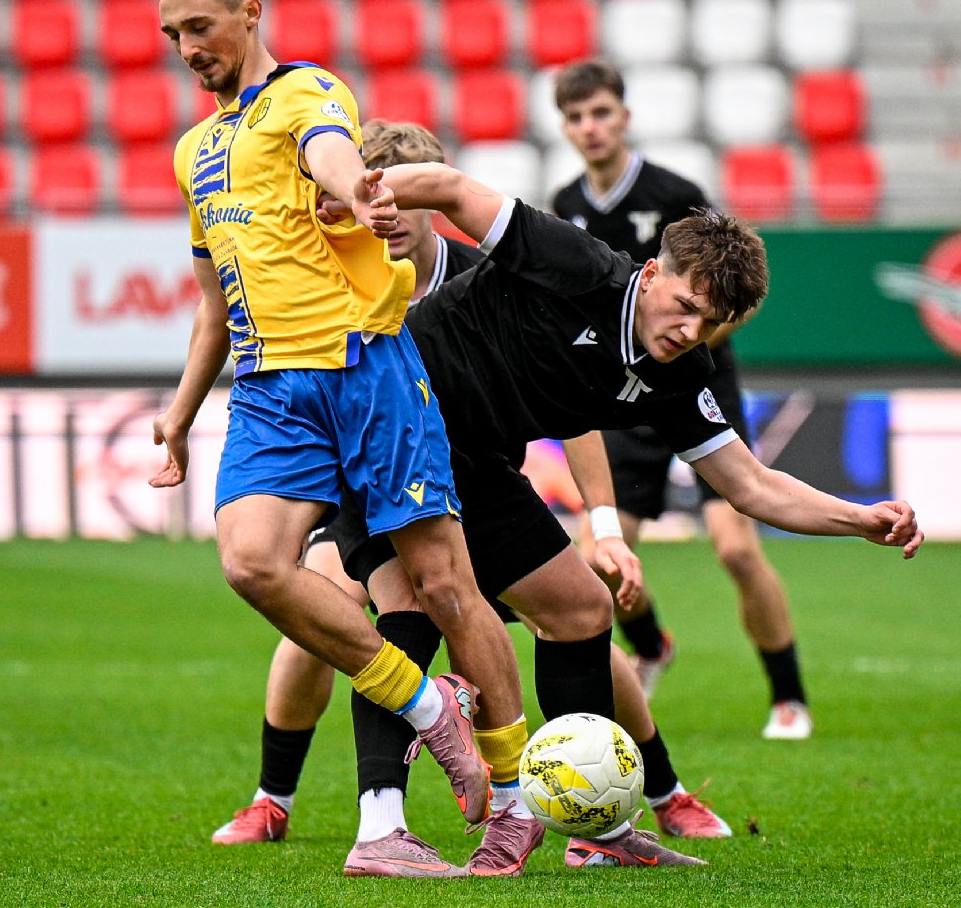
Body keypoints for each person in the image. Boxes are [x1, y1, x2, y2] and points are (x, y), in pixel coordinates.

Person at [321, 160, 923, 872]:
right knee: (415, 610)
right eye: (686, 304)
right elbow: (454, 190)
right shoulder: (577, 264)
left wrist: (859, 518)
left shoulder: (679, 375)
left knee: (580, 609)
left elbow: (752, 485)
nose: (689, 329)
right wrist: (362, 194)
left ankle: (592, 827)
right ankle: (383, 828)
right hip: (389, 412)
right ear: (652, 272)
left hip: (473, 459)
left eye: (711, 323)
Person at [213, 124, 735, 873]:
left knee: (580, 614)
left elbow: (577, 404)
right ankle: (289, 800)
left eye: (401, 199)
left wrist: (605, 524)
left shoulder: (485, 271)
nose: (389, 217)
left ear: (424, 202)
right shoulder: (334, 274)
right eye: (373, 196)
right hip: (375, 458)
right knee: (346, 613)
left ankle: (649, 795)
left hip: (480, 479)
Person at [146, 0, 533, 871]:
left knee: (445, 587)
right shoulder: (193, 153)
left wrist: (354, 188)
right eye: (172, 35)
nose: (188, 48)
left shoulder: (308, 92)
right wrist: (181, 414)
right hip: (269, 386)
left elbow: (331, 154)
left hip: (365, 369)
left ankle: (516, 803)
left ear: (249, 12)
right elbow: (213, 304)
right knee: (251, 562)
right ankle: (431, 706)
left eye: (200, 26)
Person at [551, 59, 814, 740]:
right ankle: (651, 645)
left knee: (735, 549)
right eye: (576, 117)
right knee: (599, 556)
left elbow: (740, 294)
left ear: (625, 117)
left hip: (696, 384)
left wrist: (684, 348)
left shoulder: (676, 194)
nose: (590, 127)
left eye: (601, 112)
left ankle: (789, 697)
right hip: (621, 393)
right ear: (565, 128)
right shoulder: (565, 204)